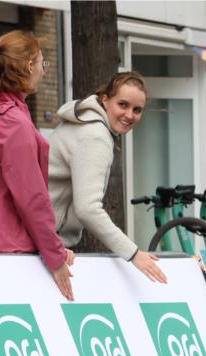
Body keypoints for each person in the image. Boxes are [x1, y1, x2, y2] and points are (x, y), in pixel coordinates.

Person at [0, 29, 74, 301]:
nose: (44, 71)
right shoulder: (13, 123)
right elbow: (31, 198)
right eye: (43, 64)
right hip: (9, 253)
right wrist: (55, 255)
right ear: (30, 66)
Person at [48, 71, 166, 283]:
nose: (130, 115)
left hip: (43, 241)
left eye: (137, 110)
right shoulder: (96, 136)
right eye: (123, 105)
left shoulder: (86, 122)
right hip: (44, 244)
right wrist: (133, 254)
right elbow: (88, 209)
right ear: (105, 100)